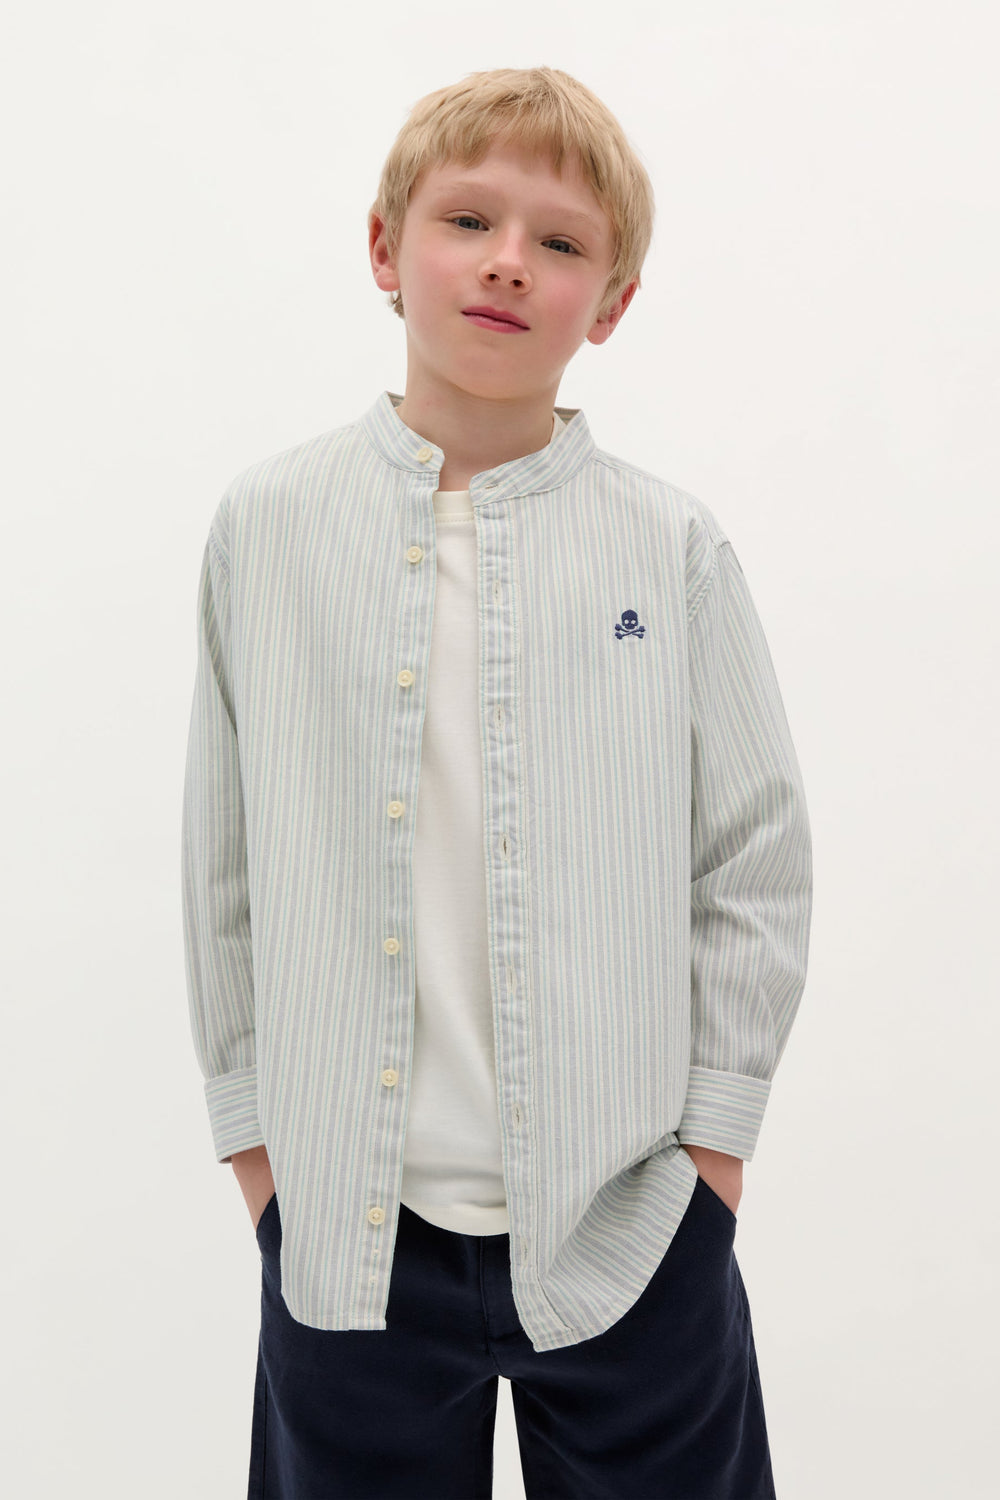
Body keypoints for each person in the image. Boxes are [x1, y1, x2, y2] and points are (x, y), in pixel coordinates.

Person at [181, 65, 812, 1500]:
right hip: (347, 1243)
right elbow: (222, 866)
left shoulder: (669, 548)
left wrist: (708, 1171)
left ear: (614, 301)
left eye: (562, 241)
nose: (509, 261)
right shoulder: (269, 530)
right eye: (469, 219)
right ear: (384, 246)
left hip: (631, 1229)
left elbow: (756, 856)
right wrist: (263, 1162)